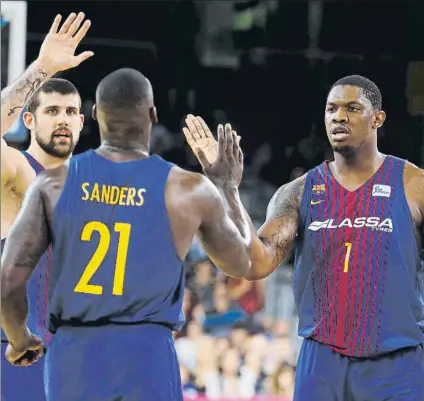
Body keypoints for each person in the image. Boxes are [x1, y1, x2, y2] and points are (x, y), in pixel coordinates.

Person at [1, 67, 252, 401]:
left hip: (73, 352)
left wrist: (19, 338)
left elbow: (8, 280)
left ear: (92, 115)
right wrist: (226, 186)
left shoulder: (54, 184)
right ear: (153, 114)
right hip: (146, 353)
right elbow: (241, 263)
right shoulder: (187, 189)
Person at [183, 74, 424, 401]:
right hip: (322, 363)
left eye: (353, 108)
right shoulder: (299, 193)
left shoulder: (413, 185)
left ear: (377, 118)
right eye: (331, 109)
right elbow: (254, 262)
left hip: (397, 364)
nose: (339, 116)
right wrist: (226, 189)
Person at [1, 12, 92, 401]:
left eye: (71, 112)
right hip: (23, 351)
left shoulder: (96, 185)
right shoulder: (19, 171)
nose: (63, 120)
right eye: (52, 111)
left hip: (82, 355)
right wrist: (42, 68)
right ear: (28, 119)